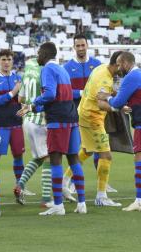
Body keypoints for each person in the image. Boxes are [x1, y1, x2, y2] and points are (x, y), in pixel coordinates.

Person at [98, 51, 141, 212]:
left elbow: (118, 102)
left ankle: (139, 201)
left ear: (126, 63)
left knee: (140, 158)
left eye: (119, 64)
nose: (118, 68)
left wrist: (105, 97)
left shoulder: (131, 77)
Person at [31, 42, 86, 216]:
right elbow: (60, 97)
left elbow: (49, 95)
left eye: (39, 52)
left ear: (45, 53)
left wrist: (34, 103)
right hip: (71, 119)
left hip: (58, 121)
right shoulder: (62, 70)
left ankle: (58, 205)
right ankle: (82, 203)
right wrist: (35, 109)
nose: (37, 55)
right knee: (73, 159)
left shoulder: (47, 69)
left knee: (55, 159)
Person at [69, 51, 123, 207]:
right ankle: (101, 196)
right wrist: (117, 108)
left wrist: (115, 95)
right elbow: (101, 103)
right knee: (106, 155)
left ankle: (65, 181)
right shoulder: (105, 78)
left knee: (86, 150)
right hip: (93, 118)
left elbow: (103, 92)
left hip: (83, 113)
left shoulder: (100, 68)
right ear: (117, 64)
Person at [62, 35, 110, 192]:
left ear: (87, 45)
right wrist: (83, 92)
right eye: (78, 45)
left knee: (97, 149)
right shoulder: (67, 68)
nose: (81, 48)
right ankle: (74, 181)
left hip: (97, 113)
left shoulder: (97, 65)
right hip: (76, 113)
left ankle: (101, 181)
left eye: (83, 45)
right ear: (74, 47)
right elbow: (65, 91)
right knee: (80, 148)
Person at [14, 58, 52, 207]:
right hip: (40, 119)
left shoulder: (27, 73)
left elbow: (20, 98)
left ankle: (20, 184)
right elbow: (48, 95)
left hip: (27, 120)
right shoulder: (45, 71)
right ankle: (47, 198)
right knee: (49, 157)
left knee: (38, 157)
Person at [0, 50, 25, 188]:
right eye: (3, 59)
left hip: (16, 124)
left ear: (13, 61)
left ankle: (20, 186)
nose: (6, 62)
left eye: (9, 59)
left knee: (18, 155)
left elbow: (21, 98)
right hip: (0, 124)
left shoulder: (17, 78)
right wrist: (12, 93)